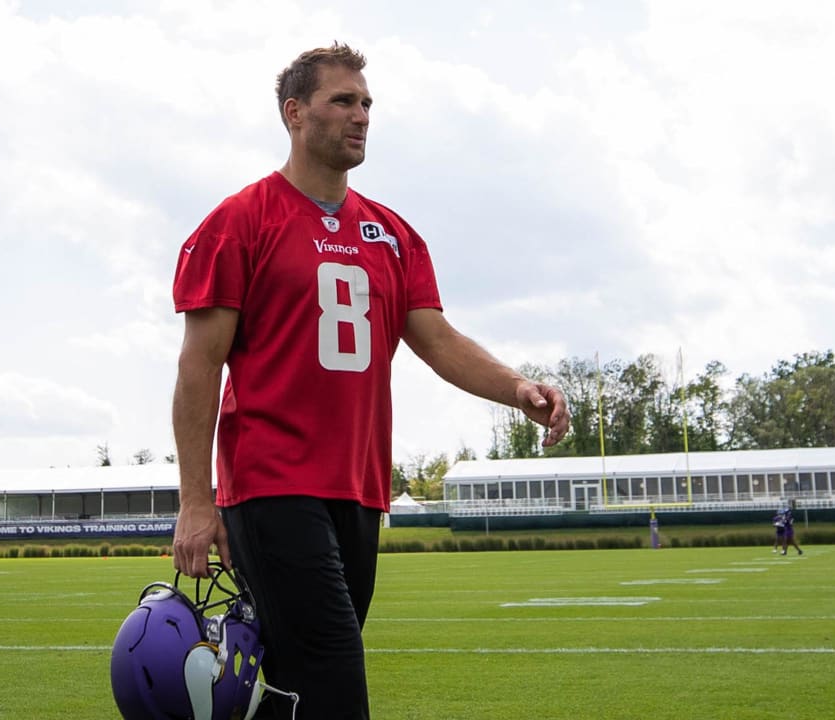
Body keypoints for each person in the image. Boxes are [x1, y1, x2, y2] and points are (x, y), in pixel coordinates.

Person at [170, 43, 570, 719]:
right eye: (343, 101)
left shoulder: (392, 235)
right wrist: (195, 501)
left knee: (295, 682)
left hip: (357, 488)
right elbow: (198, 366)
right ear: (295, 114)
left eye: (366, 104)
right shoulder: (240, 222)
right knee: (332, 673)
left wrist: (518, 388)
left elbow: (437, 340)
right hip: (271, 483)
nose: (361, 117)